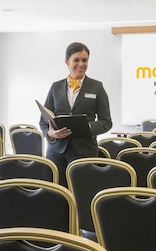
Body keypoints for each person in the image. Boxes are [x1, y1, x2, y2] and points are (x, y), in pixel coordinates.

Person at [40, 42, 113, 186]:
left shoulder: (97, 87)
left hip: (84, 151)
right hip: (56, 152)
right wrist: (50, 133)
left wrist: (88, 127)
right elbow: (43, 120)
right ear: (67, 61)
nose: (81, 64)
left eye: (84, 60)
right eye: (76, 60)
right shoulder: (56, 87)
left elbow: (106, 122)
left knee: (82, 193)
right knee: (56, 193)